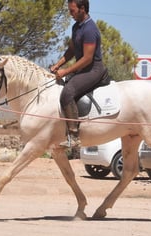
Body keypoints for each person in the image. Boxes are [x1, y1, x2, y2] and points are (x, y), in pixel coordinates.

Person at [51, 0, 107, 148]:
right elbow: (71, 51)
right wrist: (57, 65)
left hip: (94, 69)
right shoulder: (77, 27)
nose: (70, 14)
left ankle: (74, 136)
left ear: (83, 9)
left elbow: (87, 59)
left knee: (68, 92)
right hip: (84, 69)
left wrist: (66, 71)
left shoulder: (90, 29)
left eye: (72, 11)